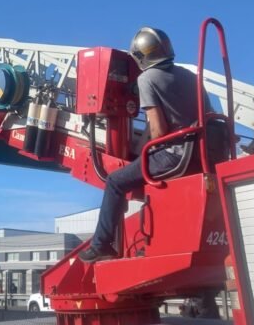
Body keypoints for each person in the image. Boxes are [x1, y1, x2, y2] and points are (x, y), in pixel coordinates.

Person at [79, 26, 209, 263]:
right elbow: (206, 117)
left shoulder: (146, 79)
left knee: (116, 181)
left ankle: (101, 245)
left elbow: (158, 130)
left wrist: (144, 153)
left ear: (139, 56)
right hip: (202, 155)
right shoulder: (192, 77)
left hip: (175, 155)